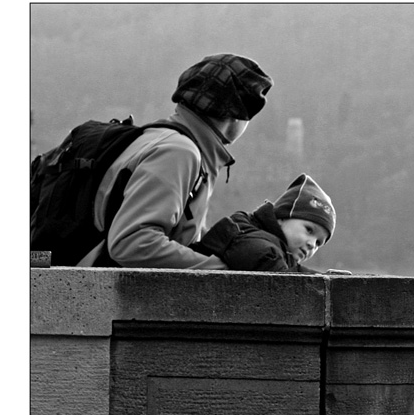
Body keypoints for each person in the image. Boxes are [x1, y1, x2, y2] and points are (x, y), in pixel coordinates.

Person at [77, 53, 273, 268]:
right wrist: (221, 271)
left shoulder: (159, 138)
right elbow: (132, 243)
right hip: (77, 283)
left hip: (53, 266)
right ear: (237, 115)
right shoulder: (178, 152)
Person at [190, 173, 338, 273]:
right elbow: (284, 281)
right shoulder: (255, 243)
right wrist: (322, 280)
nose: (312, 244)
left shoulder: (279, 250)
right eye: (309, 230)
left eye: (318, 242)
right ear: (282, 218)